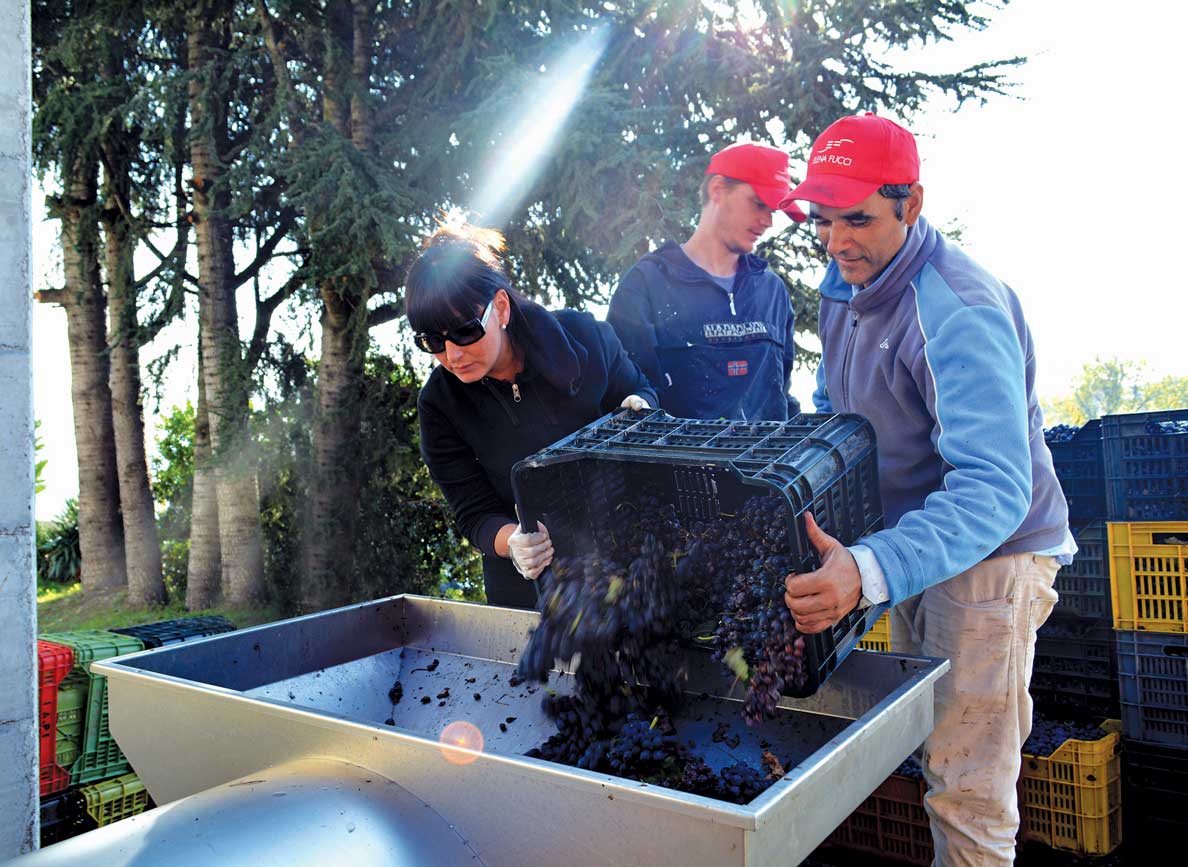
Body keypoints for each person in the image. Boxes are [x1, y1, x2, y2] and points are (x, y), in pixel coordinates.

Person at [778, 113, 1074, 866]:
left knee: (967, 785)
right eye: (823, 219)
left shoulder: (958, 310)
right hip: (915, 543)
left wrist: (870, 568)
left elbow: (994, 488)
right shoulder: (845, 283)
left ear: (912, 204)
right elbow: (838, 410)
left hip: (992, 556)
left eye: (859, 218)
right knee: (934, 750)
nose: (837, 239)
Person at [408, 224, 657, 608]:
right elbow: (473, 513)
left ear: (502, 308)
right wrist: (513, 542)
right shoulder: (439, 404)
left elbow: (640, 392)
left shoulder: (584, 337)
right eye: (432, 341)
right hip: (531, 590)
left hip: (623, 561)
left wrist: (641, 407)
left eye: (465, 331)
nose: (452, 355)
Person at [607, 142, 804, 421]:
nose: (768, 221)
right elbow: (627, 395)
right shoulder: (645, 286)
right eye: (759, 204)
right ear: (717, 190)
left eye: (773, 210)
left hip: (765, 463)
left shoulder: (773, 291)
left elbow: (780, 391)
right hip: (674, 463)